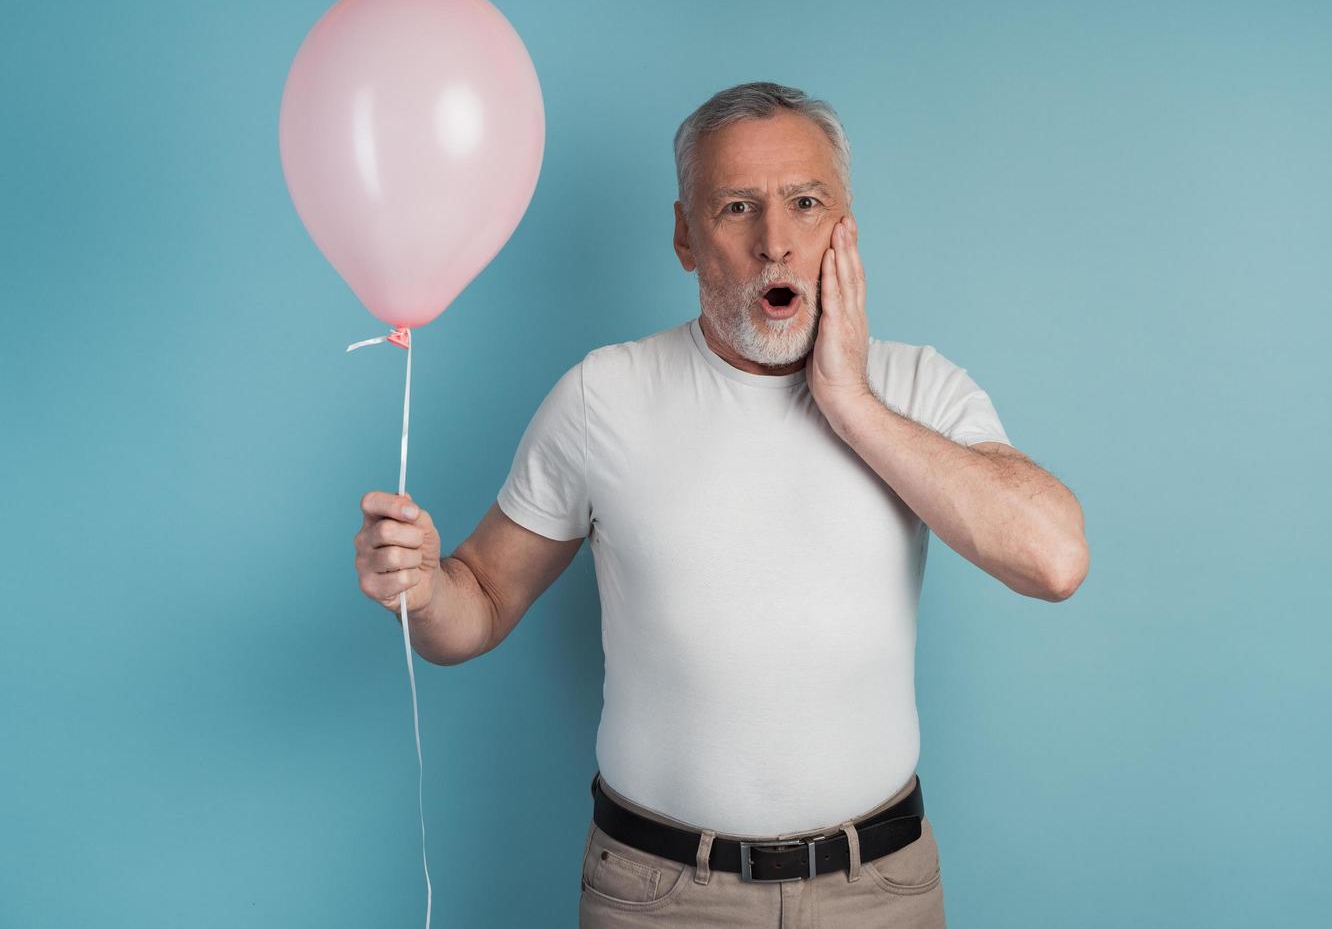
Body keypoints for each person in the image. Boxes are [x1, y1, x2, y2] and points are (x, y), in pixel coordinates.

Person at [353, 81, 1089, 927]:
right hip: (658, 897)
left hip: (879, 892)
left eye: (805, 204)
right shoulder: (605, 396)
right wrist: (420, 590)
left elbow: (1056, 559)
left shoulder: (920, 388)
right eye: (737, 208)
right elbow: (475, 604)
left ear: (846, 226)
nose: (775, 243)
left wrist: (851, 403)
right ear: (685, 236)